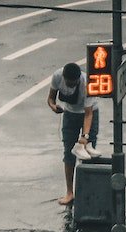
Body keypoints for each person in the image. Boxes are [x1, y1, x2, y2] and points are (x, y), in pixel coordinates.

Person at [46, 61, 100, 206]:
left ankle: (89, 192)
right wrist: (53, 107)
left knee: (88, 152)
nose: (71, 86)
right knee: (68, 152)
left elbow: (88, 114)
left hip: (89, 112)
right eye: (69, 83)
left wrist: (85, 137)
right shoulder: (57, 76)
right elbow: (50, 98)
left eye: (73, 83)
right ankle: (70, 192)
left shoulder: (87, 83)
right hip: (69, 114)